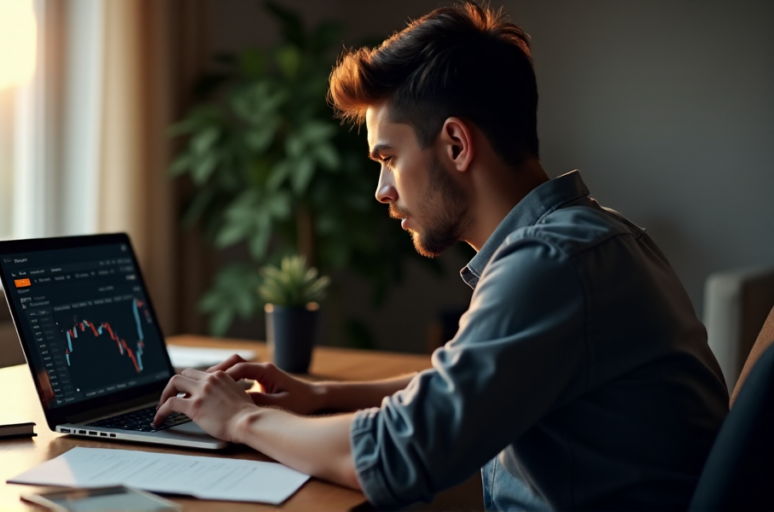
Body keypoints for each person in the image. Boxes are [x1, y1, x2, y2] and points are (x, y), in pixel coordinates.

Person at [153, 2, 729, 509]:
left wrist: (242, 417)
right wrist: (320, 395)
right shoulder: (595, 237)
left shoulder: (550, 263)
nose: (382, 190)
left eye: (388, 159)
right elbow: (465, 383)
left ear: (455, 144)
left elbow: (399, 454)